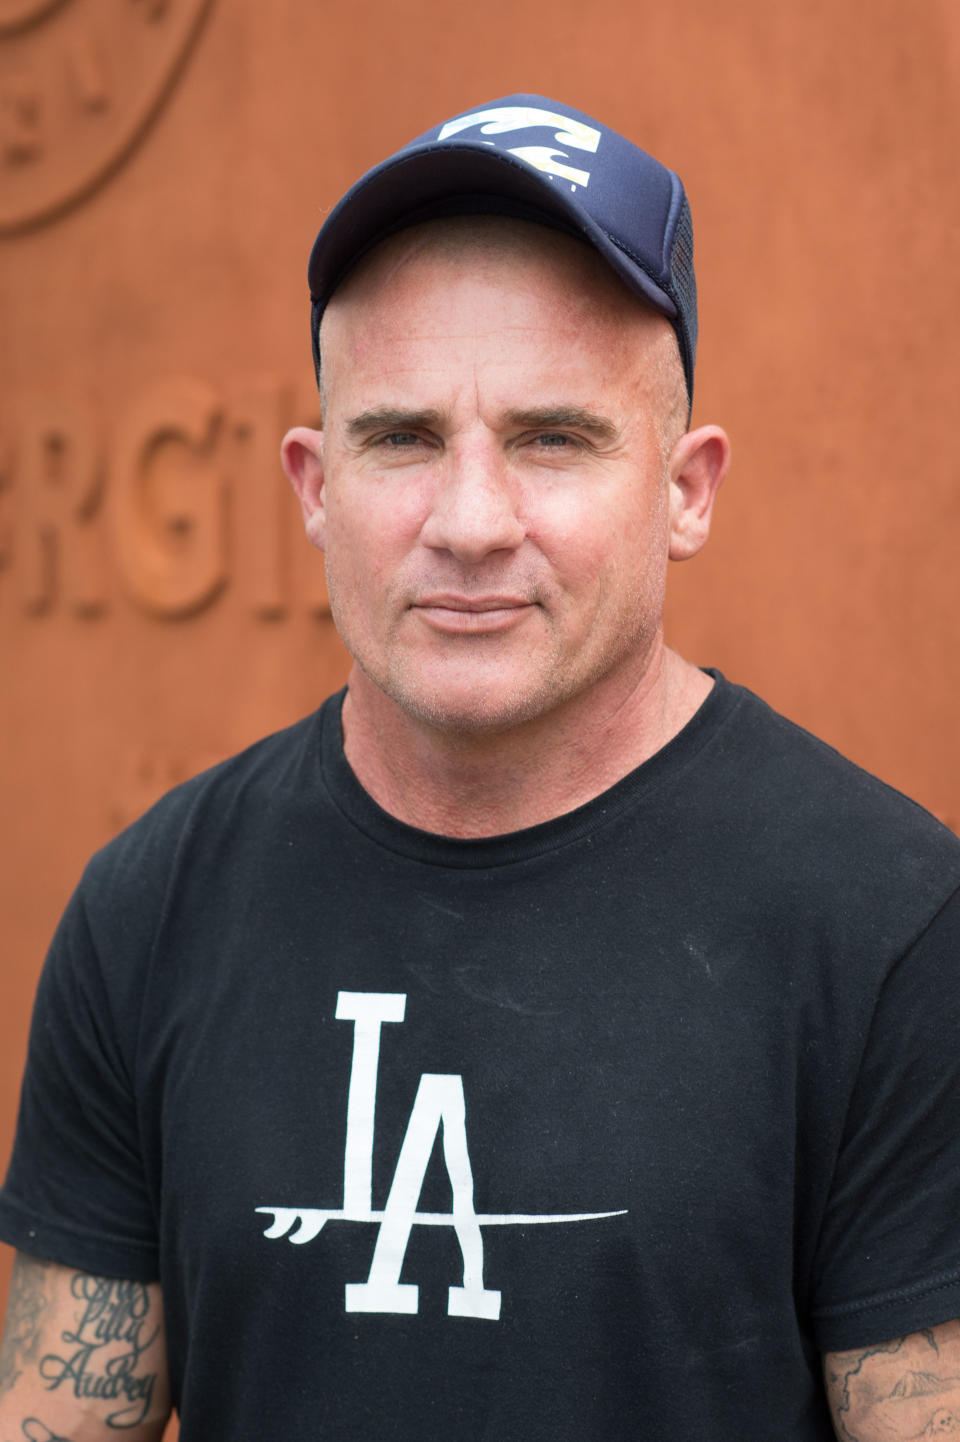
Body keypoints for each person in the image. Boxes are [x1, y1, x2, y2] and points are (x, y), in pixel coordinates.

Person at [0, 93, 959, 1442]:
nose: (467, 522)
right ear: (314, 484)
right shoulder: (149, 909)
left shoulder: (895, 930)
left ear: (687, 488)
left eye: (551, 438)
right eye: (400, 437)